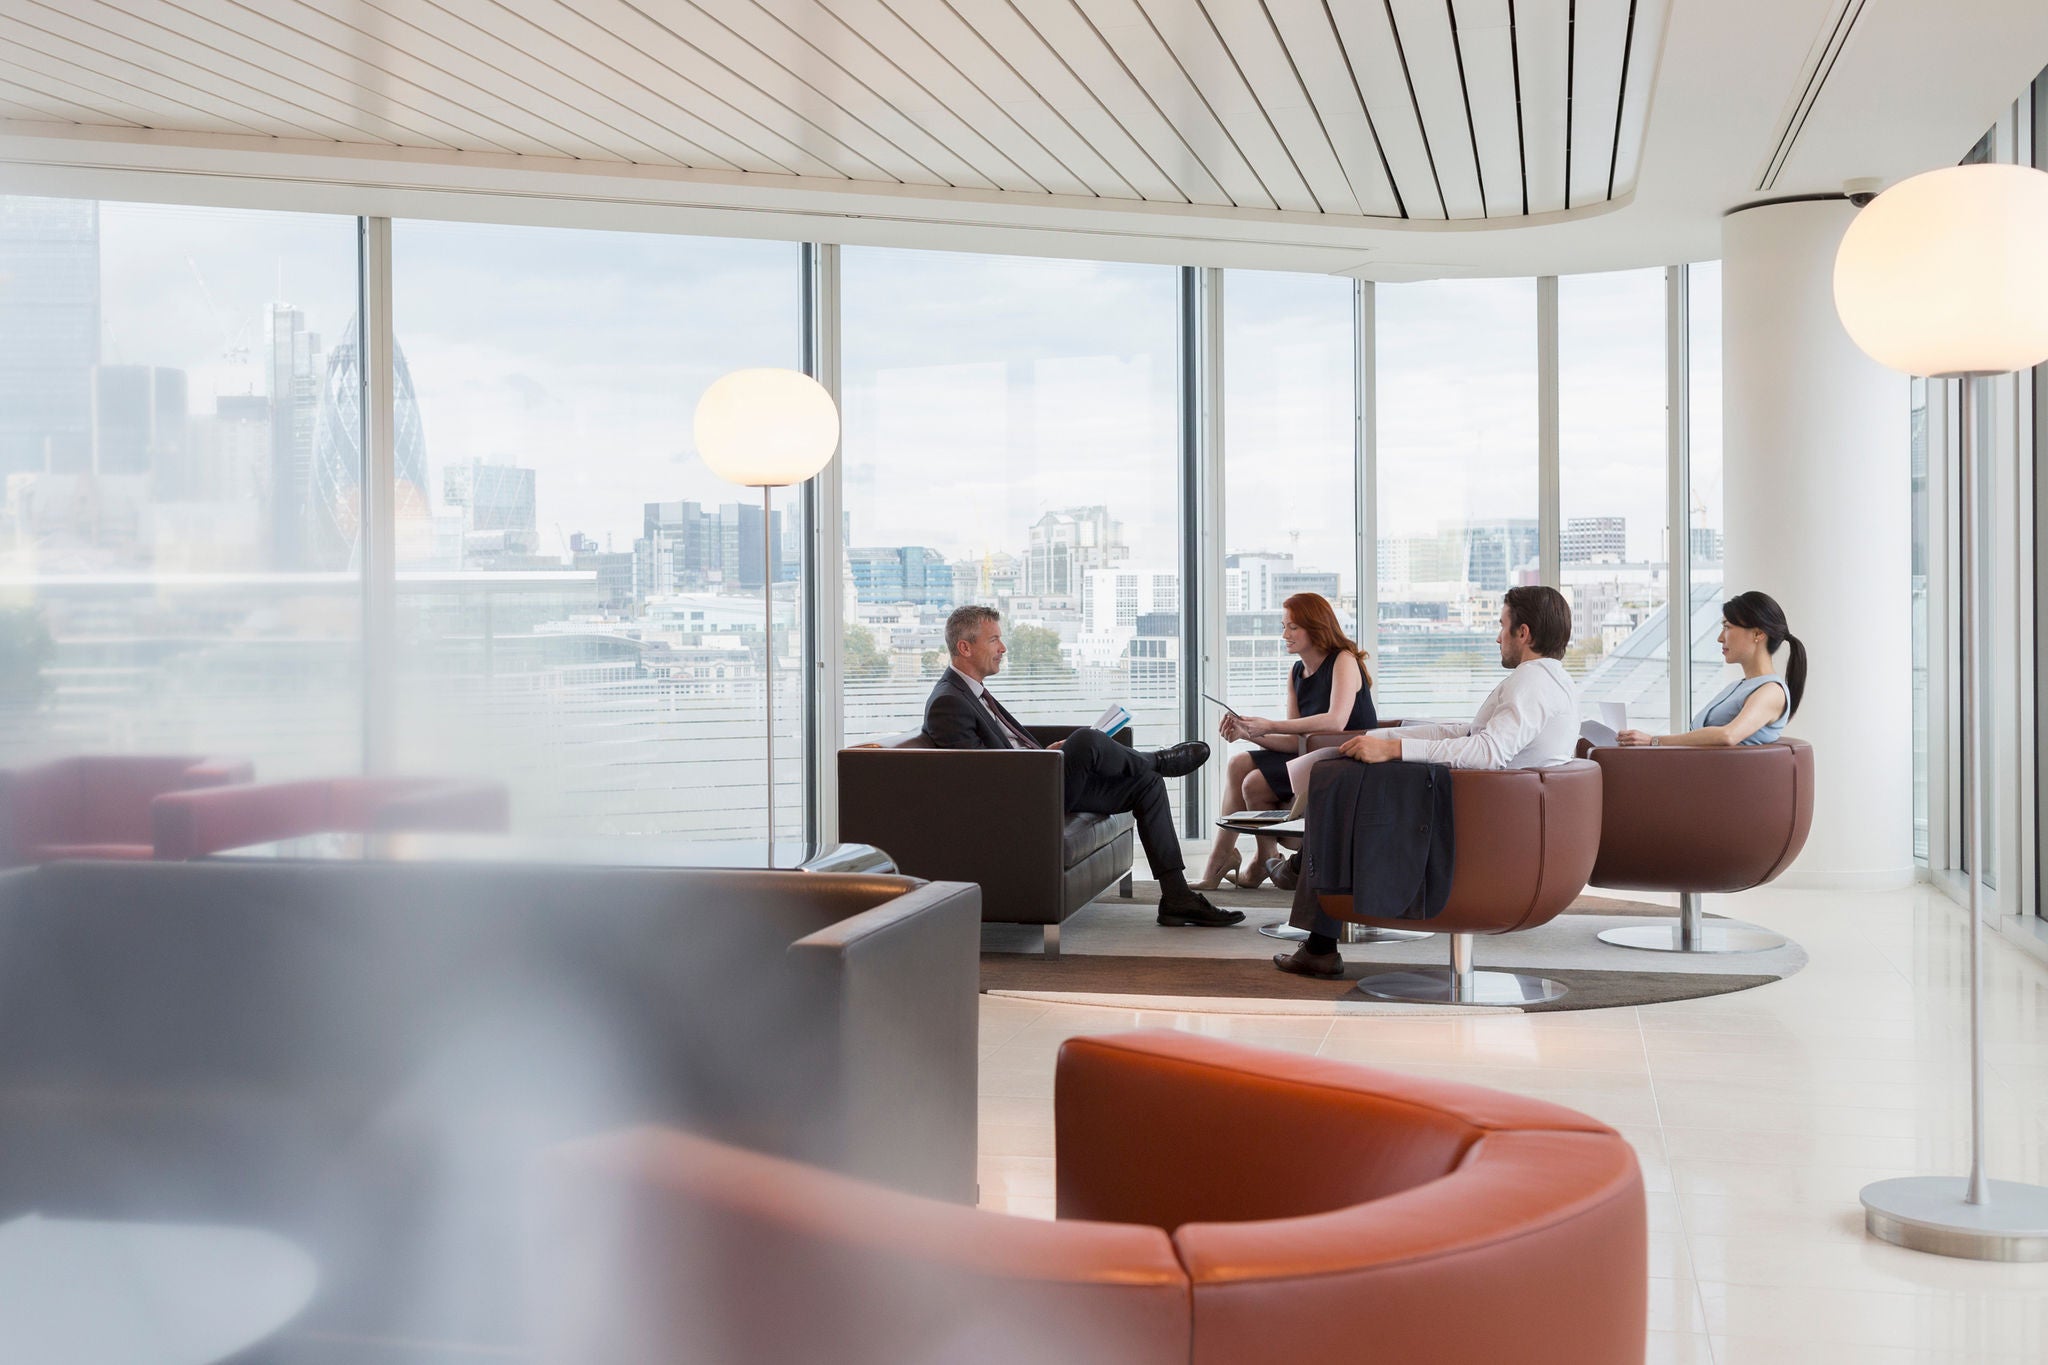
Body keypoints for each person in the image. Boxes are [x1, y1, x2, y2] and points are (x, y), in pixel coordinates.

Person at [1274, 585, 1579, 977]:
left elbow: (1487, 752)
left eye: (1502, 626)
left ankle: (1307, 878)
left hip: (1480, 828)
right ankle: (1312, 906)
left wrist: (1396, 751)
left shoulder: (1532, 683)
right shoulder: (1549, 680)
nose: (1497, 636)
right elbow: (1471, 734)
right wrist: (1388, 739)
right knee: (1339, 772)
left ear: (1525, 633)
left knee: (1337, 778)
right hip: (1493, 814)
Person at [923, 605, 1242, 929]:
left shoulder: (972, 693)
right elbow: (978, 776)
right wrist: (1043, 763)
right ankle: (1159, 760)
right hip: (1022, 802)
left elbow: (1003, 752)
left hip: (1038, 781)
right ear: (965, 647)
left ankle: (1177, 897)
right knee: (1086, 741)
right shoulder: (948, 702)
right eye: (994, 640)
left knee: (1146, 784)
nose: (1003, 648)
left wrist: (1044, 753)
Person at [1195, 593, 1376, 891]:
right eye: (1284, 626)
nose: (1284, 635)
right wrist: (1249, 733)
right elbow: (1296, 741)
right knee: (1239, 762)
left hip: (1344, 760)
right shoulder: (1296, 672)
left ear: (1315, 627)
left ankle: (1260, 862)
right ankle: (1227, 858)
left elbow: (1335, 722)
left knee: (1253, 783)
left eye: (1293, 627)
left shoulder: (1344, 661)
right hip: (1311, 757)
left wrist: (1268, 726)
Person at [1617, 590, 1806, 748]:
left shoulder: (1771, 692)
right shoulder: (1739, 687)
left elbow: (1729, 736)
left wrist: (1653, 741)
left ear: (1757, 634)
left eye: (1727, 627)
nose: (1720, 638)